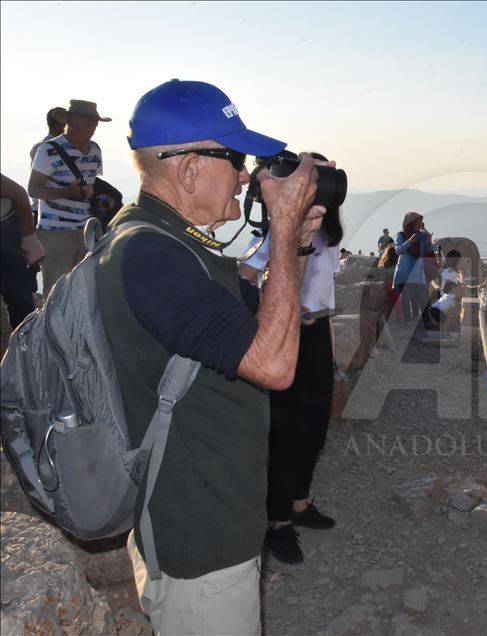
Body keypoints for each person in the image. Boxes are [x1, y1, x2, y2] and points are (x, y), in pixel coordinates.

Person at [101, 79, 324, 635]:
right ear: (189, 169)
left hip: (207, 515)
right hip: (198, 541)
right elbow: (273, 365)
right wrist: (285, 231)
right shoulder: (151, 254)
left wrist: (290, 247)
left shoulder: (168, 241)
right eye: (237, 159)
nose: (247, 175)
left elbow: (252, 329)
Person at [239, 201, 344, 565]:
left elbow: (325, 299)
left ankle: (299, 504)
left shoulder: (329, 237)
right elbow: (245, 274)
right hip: (286, 334)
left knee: (314, 428)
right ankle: (278, 524)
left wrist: (330, 355)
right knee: (286, 433)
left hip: (318, 334)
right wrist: (276, 310)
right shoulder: (279, 231)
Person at [28, 100, 111, 295]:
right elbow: (34, 189)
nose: (92, 127)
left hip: (86, 231)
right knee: (55, 294)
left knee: (82, 292)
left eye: (95, 123)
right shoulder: (48, 150)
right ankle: (50, 326)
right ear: (71, 121)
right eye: (88, 122)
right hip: (56, 233)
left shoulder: (95, 150)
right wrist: (69, 192)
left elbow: (92, 186)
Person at [1, 174, 43, 331]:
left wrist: (29, 239)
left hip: (7, 242)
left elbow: (18, 193)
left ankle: (25, 349)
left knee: (21, 308)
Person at [394, 211, 432, 327]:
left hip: (418, 272)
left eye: (421, 221)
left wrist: (428, 242)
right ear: (410, 223)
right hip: (405, 272)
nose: (420, 224)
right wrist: (409, 241)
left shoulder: (422, 235)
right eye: (417, 221)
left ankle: (427, 322)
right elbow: (398, 250)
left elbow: (428, 251)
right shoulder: (401, 235)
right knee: (406, 298)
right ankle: (407, 322)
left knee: (423, 297)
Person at [377, 244, 402, 321]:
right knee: (397, 302)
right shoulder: (397, 266)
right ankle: (399, 319)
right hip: (392, 286)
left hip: (383, 287)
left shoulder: (383, 265)